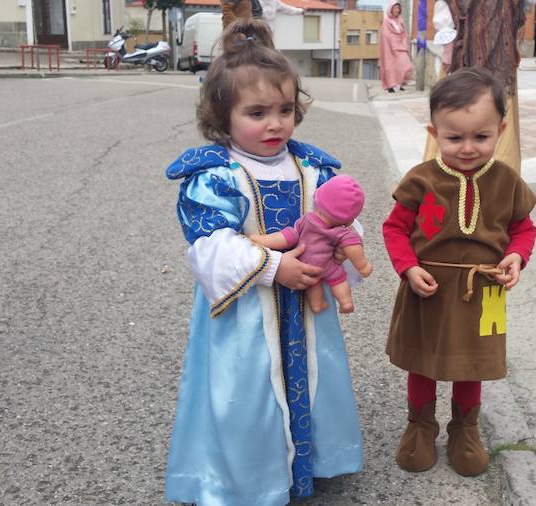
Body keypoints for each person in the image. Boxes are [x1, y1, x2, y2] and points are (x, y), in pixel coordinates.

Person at [163, 19, 363, 506]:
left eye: (285, 110)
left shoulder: (312, 167)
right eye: (257, 112)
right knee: (247, 395)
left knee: (315, 377)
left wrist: (344, 244)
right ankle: (249, 478)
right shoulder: (215, 175)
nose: (275, 124)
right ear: (222, 116)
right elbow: (209, 246)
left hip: (309, 308)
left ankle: (311, 461)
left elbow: (341, 220)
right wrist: (275, 268)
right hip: (247, 316)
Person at [382, 68, 536, 477]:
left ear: (500, 129)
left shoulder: (507, 180)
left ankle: (465, 430)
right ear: (435, 132)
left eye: (481, 137)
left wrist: (517, 257)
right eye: (455, 137)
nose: (468, 148)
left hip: (484, 292)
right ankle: (420, 426)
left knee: (474, 363)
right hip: (427, 289)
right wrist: (408, 267)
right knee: (423, 361)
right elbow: (394, 228)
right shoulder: (421, 179)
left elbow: (524, 228)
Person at [250, 174, 373, 314]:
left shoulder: (307, 220)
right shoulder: (341, 231)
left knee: (312, 282)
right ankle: (346, 302)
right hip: (327, 262)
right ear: (349, 220)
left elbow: (289, 236)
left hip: (305, 259)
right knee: (338, 278)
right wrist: (363, 266)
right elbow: (353, 246)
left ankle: (317, 305)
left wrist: (264, 240)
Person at [434, 0, 532, 173]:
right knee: (457, 115)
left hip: (501, 54)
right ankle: (449, 179)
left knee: (499, 116)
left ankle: (500, 179)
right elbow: (447, 6)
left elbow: (521, 8)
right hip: (464, 53)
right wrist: (448, 47)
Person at [380, 0, 413, 93]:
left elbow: (403, 33)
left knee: (407, 65)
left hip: (401, 47)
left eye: (398, 8)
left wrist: (404, 43)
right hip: (390, 48)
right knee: (390, 66)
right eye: (395, 8)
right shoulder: (386, 21)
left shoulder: (400, 19)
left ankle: (400, 82)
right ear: (391, 9)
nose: (397, 10)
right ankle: (391, 85)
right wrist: (391, 46)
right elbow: (385, 35)